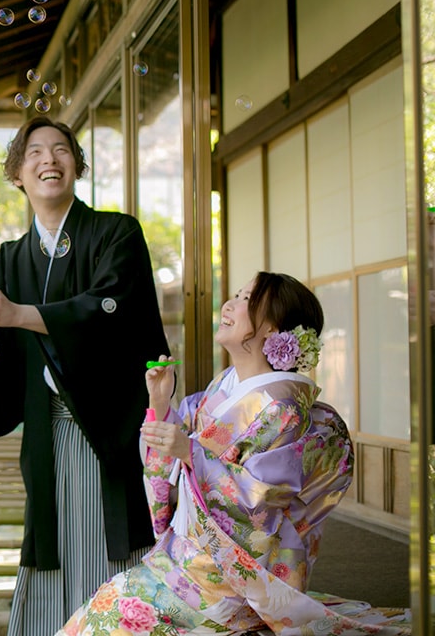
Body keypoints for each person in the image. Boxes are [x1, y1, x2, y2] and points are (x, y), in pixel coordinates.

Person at [58, 271, 411, 636]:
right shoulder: (223, 385)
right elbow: (171, 454)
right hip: (186, 555)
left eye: (245, 299)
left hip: (232, 571)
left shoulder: (283, 409)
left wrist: (190, 452)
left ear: (272, 330)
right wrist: (160, 405)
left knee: (111, 615)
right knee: (106, 605)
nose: (229, 304)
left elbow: (260, 504)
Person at [0, 116, 170, 634]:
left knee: (110, 541)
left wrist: (18, 314)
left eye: (61, 150)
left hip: (109, 424)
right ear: (17, 174)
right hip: (46, 428)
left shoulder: (116, 232)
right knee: (52, 544)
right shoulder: (12, 258)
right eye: (35, 152)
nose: (49, 159)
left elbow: (110, 308)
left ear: (77, 166)